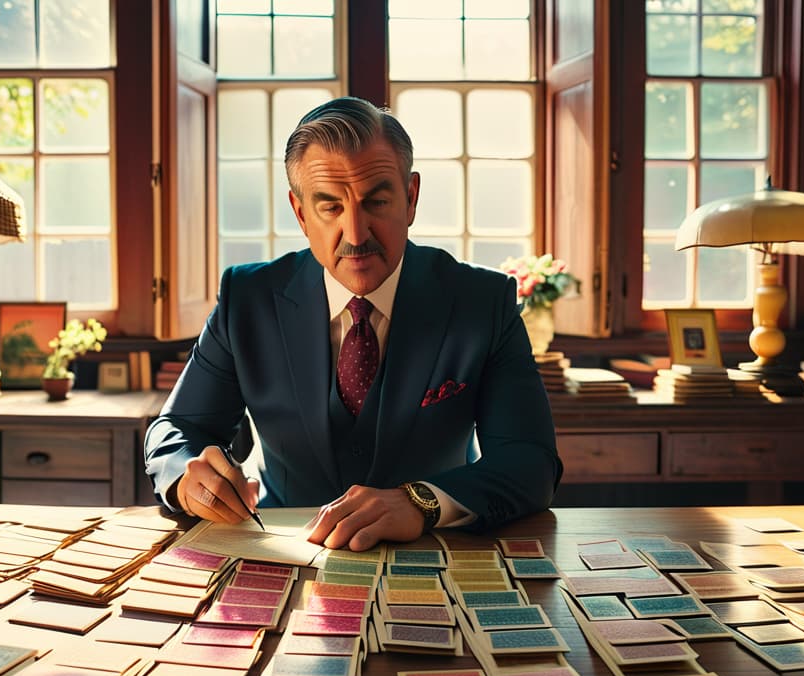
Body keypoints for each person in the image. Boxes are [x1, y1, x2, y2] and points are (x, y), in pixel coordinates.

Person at [145, 96, 562, 551]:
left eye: (377, 201)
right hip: (283, 552)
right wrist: (188, 480)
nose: (357, 234)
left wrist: (422, 502)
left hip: (437, 552)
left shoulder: (484, 302)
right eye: (330, 208)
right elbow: (176, 430)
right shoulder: (247, 299)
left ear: (411, 198)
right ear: (301, 214)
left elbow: (530, 462)